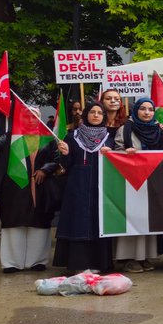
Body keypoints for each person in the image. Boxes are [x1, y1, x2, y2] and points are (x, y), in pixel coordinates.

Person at [0, 111, 57, 272]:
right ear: (21, 118)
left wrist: (45, 170)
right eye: (28, 115)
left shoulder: (49, 138)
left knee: (39, 223)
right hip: (14, 190)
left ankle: (37, 261)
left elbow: (57, 160)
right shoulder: (10, 136)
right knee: (13, 224)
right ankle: (12, 263)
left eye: (35, 115)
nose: (32, 118)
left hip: (40, 189)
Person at [54, 102, 115, 273]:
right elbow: (66, 166)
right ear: (86, 114)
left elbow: (119, 164)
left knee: (98, 222)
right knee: (78, 222)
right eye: (92, 112)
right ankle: (78, 264)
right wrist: (64, 154)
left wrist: (112, 155)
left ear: (104, 116)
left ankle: (99, 264)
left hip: (101, 187)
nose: (96, 115)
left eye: (100, 113)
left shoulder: (109, 137)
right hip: (77, 187)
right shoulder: (72, 136)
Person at [113, 97, 163, 272]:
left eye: (150, 109)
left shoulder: (158, 129)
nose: (147, 112)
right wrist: (125, 153)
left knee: (148, 218)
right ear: (136, 110)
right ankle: (128, 258)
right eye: (143, 109)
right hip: (131, 180)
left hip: (152, 181)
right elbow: (116, 153)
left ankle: (145, 256)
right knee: (132, 218)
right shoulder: (125, 129)